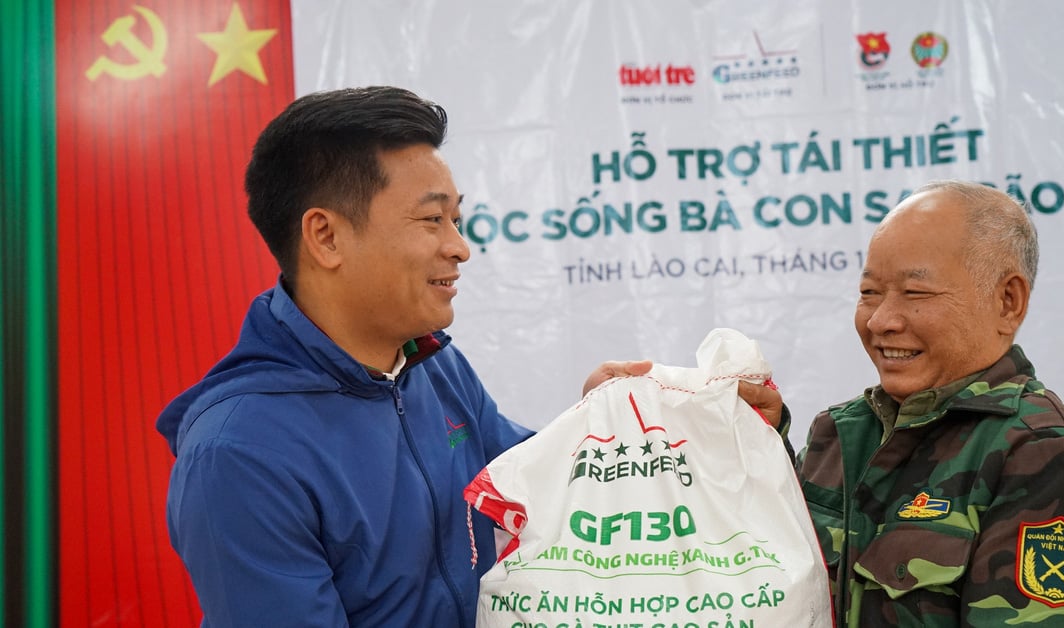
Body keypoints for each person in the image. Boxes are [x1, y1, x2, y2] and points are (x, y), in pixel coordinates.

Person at [157, 86, 783, 627]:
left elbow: (532, 489)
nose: (460, 249)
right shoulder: (239, 455)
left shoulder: (431, 366)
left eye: (457, 220)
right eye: (433, 221)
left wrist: (632, 420)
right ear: (325, 236)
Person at [794, 180, 1064, 626]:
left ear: (1008, 301)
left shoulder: (1046, 460)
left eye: (915, 294)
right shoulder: (838, 437)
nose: (880, 319)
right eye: (870, 292)